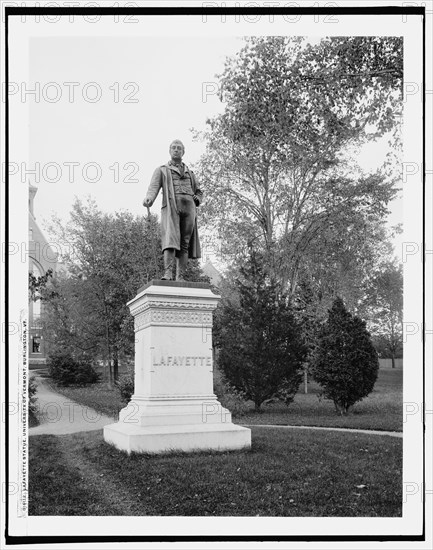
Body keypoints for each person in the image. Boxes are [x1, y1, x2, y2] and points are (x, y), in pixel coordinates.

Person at [143, 140, 203, 281]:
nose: (176, 150)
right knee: (170, 240)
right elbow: (153, 187)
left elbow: (199, 192)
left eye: (179, 148)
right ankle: (168, 274)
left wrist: (197, 199)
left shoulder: (191, 173)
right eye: (174, 148)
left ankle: (180, 277)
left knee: (185, 242)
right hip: (172, 208)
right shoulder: (162, 170)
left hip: (189, 208)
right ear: (170, 151)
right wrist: (149, 198)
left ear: (183, 152)